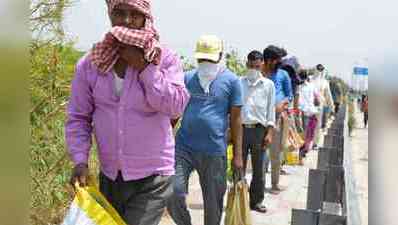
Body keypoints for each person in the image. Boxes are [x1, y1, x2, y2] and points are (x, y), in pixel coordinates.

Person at [65, 1, 190, 224]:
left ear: (146, 18)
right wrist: (80, 160)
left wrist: (144, 67)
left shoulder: (164, 59)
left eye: (135, 14)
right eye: (120, 13)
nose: (127, 21)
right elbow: (78, 117)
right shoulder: (91, 63)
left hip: (154, 176)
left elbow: (176, 106)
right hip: (111, 176)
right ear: (110, 15)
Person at [166, 35, 243, 225]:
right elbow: (175, 111)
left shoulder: (232, 81)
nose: (206, 63)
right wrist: (163, 138)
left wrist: (238, 155)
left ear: (219, 57)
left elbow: (236, 118)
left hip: (214, 150)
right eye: (202, 59)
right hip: (184, 148)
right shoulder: (187, 78)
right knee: (171, 192)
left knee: (213, 205)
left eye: (210, 59)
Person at [241, 50, 276, 213]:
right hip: (241, 130)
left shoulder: (268, 85)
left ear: (262, 65)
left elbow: (271, 111)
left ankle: (256, 201)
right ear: (247, 65)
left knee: (259, 169)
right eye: (251, 66)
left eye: (257, 66)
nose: (254, 69)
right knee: (237, 167)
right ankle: (238, 199)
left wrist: (269, 133)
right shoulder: (239, 83)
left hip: (259, 131)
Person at [261, 45, 293, 194]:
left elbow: (289, 95)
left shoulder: (283, 75)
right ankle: (258, 184)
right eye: (276, 60)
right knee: (260, 153)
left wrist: (282, 104)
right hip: (259, 118)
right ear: (268, 60)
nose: (279, 63)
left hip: (277, 118)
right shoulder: (259, 73)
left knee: (275, 153)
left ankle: (274, 183)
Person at [297, 70, 320, 164]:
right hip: (310, 113)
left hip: (300, 113)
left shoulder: (297, 87)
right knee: (308, 135)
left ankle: (300, 156)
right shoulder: (312, 86)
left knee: (300, 135)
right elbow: (318, 100)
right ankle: (302, 155)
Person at [311, 64, 334, 148]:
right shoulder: (310, 79)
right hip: (309, 105)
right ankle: (310, 142)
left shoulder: (324, 82)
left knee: (317, 125)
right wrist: (332, 107)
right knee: (310, 124)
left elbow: (328, 95)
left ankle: (314, 143)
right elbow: (328, 96)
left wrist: (332, 106)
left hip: (319, 106)